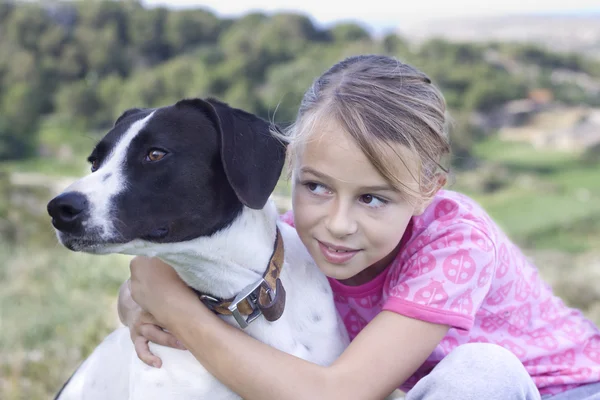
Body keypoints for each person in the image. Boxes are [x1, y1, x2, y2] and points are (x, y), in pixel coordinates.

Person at [119, 54, 600, 399]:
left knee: (481, 371)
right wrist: (138, 300)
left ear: (427, 191)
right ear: (292, 167)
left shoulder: (457, 243)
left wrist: (175, 308)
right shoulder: (289, 241)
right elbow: (182, 282)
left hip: (564, 389)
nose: (337, 224)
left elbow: (338, 394)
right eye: (317, 187)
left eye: (373, 198)